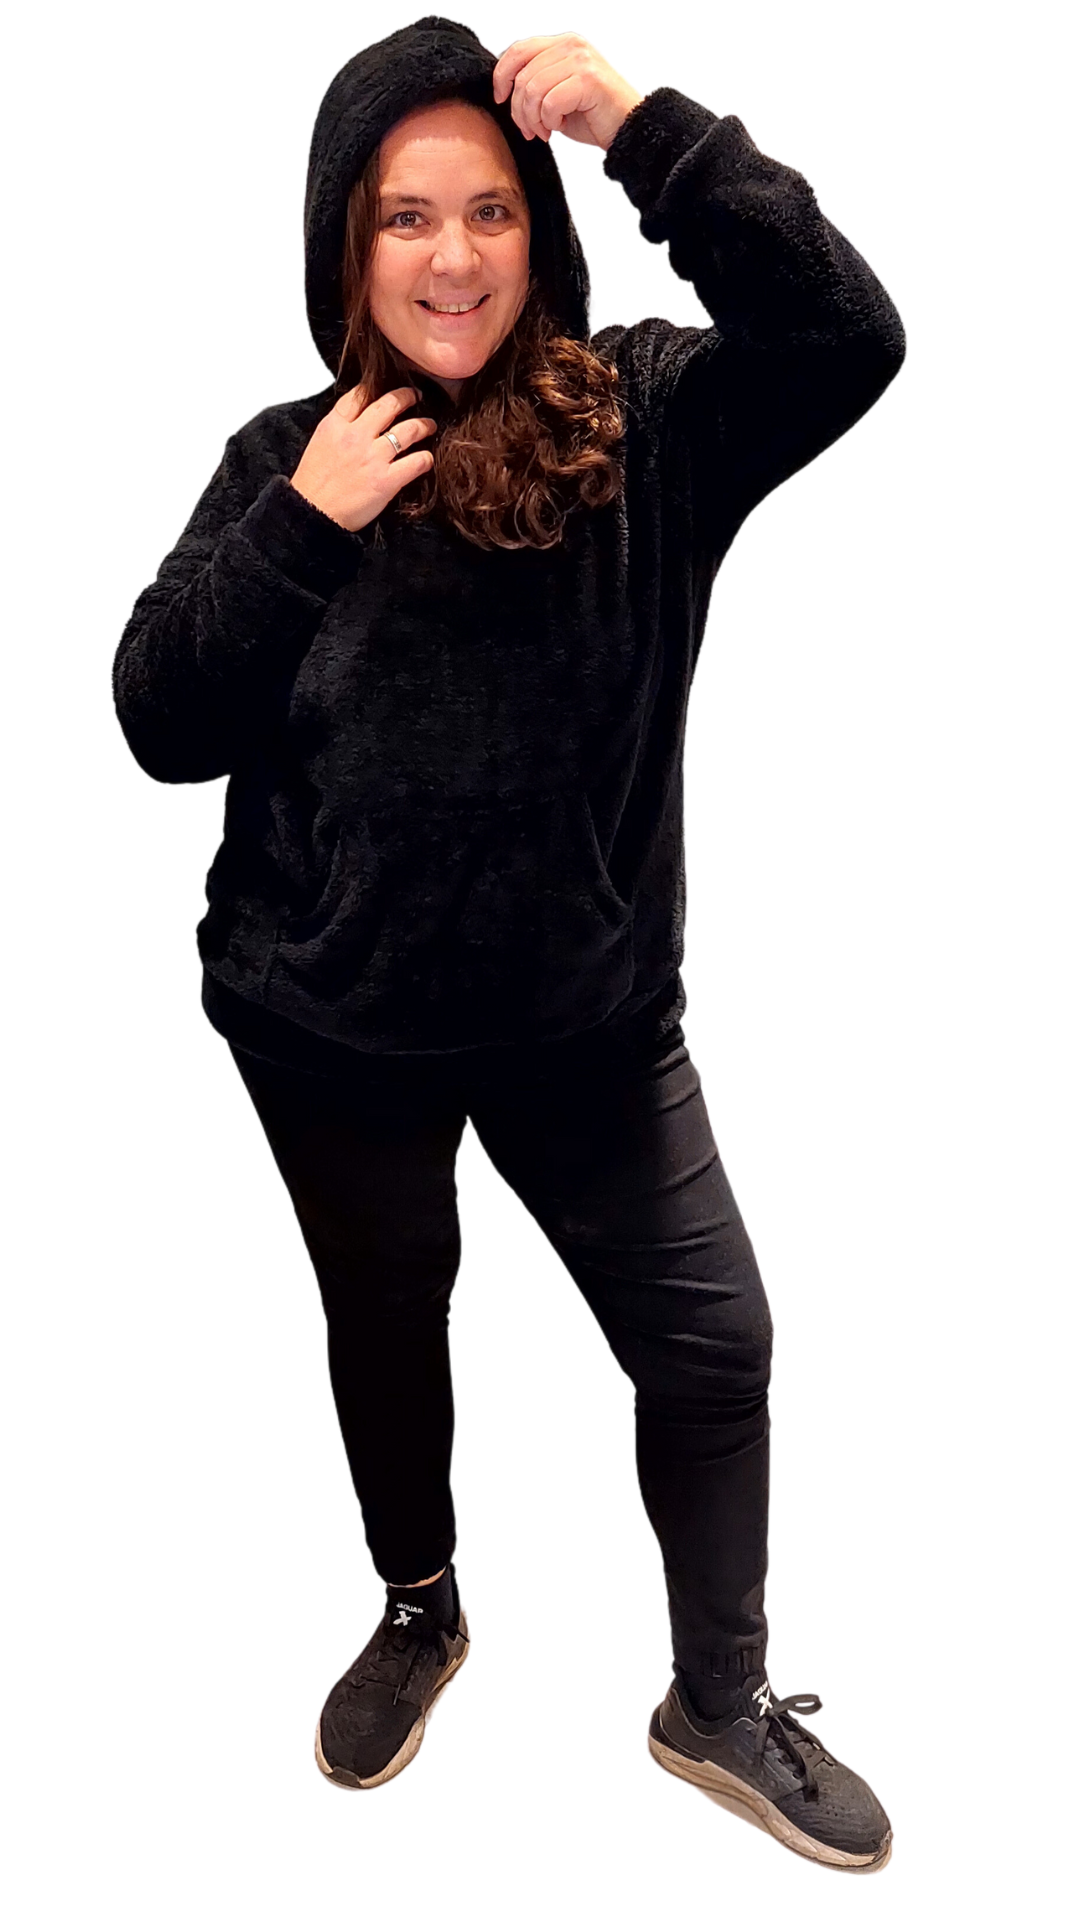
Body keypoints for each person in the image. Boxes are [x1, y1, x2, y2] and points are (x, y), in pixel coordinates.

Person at [112, 16, 906, 1870]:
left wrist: (640, 126)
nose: (453, 256)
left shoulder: (648, 422)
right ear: (348, 247)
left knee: (714, 1346)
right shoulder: (284, 459)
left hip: (587, 1025)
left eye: (489, 210)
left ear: (539, 231)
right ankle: (420, 1606)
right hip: (330, 1028)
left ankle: (718, 1699)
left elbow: (847, 337)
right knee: (390, 1321)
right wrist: (306, 525)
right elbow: (158, 721)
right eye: (406, 218)